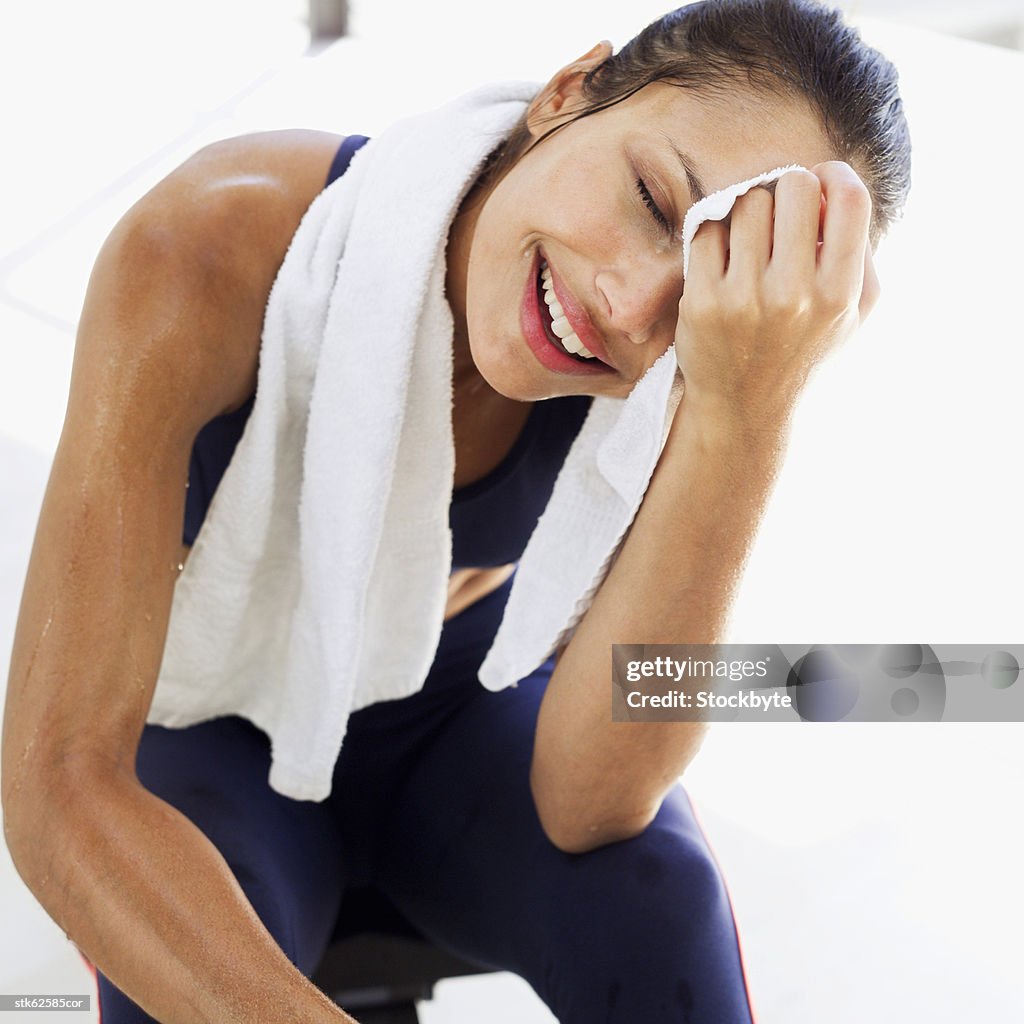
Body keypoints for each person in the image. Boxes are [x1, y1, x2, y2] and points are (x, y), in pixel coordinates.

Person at [1, 1, 910, 1021]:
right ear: (568, 90)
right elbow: (59, 783)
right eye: (653, 199)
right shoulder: (212, 240)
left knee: (664, 911)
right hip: (208, 726)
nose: (624, 304)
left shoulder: (695, 363)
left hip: (457, 709)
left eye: (698, 281)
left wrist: (745, 416)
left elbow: (587, 803)